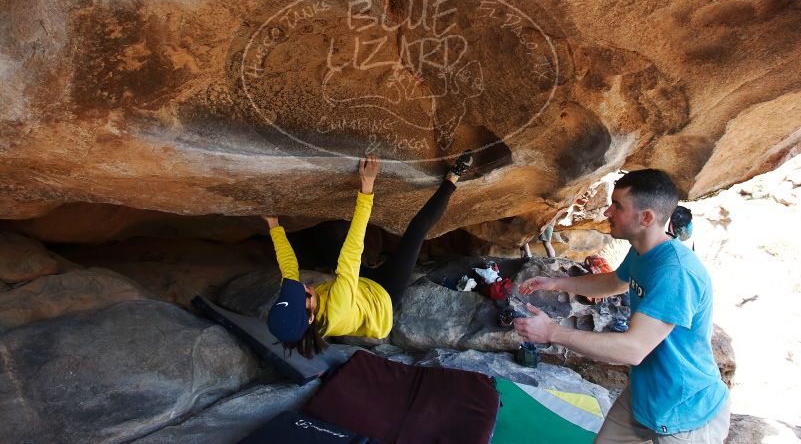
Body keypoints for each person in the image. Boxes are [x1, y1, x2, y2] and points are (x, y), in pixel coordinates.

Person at [515, 169, 729, 443]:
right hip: (646, 394)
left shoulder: (675, 272)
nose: (607, 213)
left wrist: (552, 333)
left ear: (647, 218)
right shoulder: (643, 249)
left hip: (685, 412)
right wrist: (555, 283)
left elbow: (633, 349)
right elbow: (615, 282)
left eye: (618, 206)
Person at [264, 151, 473, 358]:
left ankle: (372, 258)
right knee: (418, 229)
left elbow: (289, 268)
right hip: (384, 295)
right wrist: (366, 189)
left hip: (358, 286)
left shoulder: (298, 309)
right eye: (303, 295)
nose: (301, 287)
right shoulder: (338, 308)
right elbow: (352, 252)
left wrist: (273, 225)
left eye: (291, 292)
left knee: (324, 233)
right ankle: (453, 179)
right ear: (310, 317)